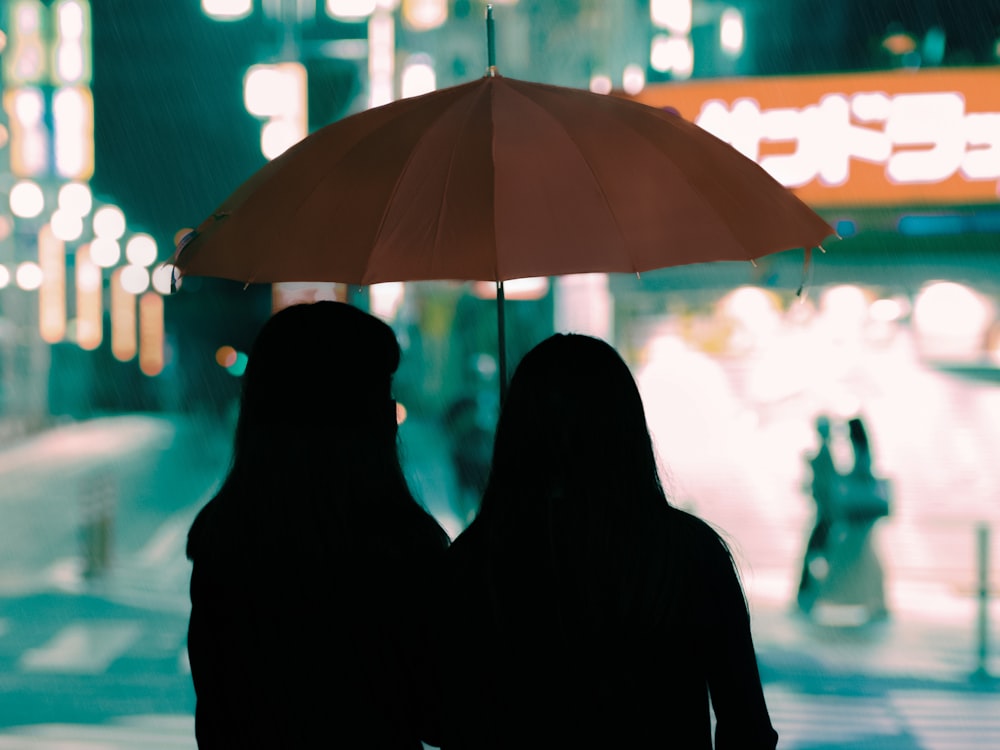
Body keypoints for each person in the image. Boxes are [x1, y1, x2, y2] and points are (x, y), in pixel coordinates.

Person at [442, 334, 777, 749]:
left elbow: (445, 721)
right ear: (627, 426)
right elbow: (747, 726)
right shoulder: (692, 554)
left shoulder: (479, 559)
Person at [186, 301, 449, 748]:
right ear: (361, 416)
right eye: (381, 391)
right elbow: (438, 715)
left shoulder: (227, 541)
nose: (391, 412)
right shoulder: (403, 547)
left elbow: (217, 718)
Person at [815, 416, 889, 622]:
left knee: (856, 555)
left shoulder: (861, 453)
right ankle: (875, 600)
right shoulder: (864, 451)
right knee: (865, 556)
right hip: (861, 516)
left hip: (859, 516)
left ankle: (869, 600)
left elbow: (861, 475)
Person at [797, 415, 838, 613]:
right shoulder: (825, 454)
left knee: (815, 555)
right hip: (825, 515)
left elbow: (823, 486)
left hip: (826, 515)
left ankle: (811, 593)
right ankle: (811, 593)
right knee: (816, 554)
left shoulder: (825, 454)